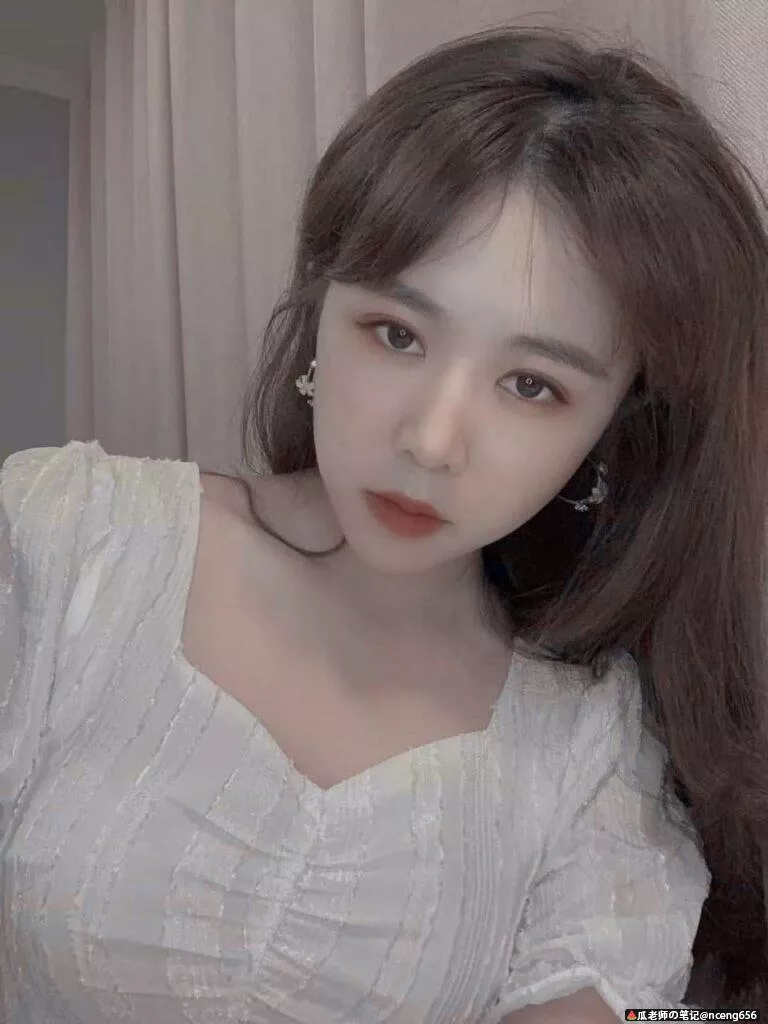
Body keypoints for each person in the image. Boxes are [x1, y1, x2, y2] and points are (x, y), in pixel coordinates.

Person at [2, 22, 768, 1023]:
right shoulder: (74, 544)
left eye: (532, 385)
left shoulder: (587, 750)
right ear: (321, 306)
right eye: (396, 333)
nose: (433, 440)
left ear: (610, 429)